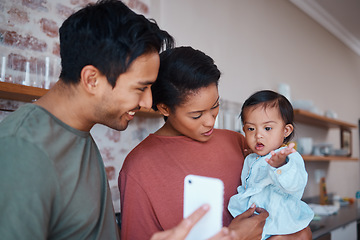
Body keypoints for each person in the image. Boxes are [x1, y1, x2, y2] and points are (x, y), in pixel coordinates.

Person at [0, 0, 214, 239]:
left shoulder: (77, 133)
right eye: (140, 87)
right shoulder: (22, 149)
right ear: (92, 79)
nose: (146, 102)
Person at [119, 47, 311, 240]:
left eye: (215, 106)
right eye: (196, 115)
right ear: (165, 108)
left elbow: (290, 212)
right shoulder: (138, 169)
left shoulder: (237, 141)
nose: (210, 121)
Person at [228, 90, 314, 240]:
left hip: (281, 224)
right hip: (258, 223)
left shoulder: (288, 156)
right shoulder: (251, 158)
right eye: (251, 129)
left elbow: (296, 184)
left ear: (286, 130)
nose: (258, 135)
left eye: (267, 128)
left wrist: (281, 167)